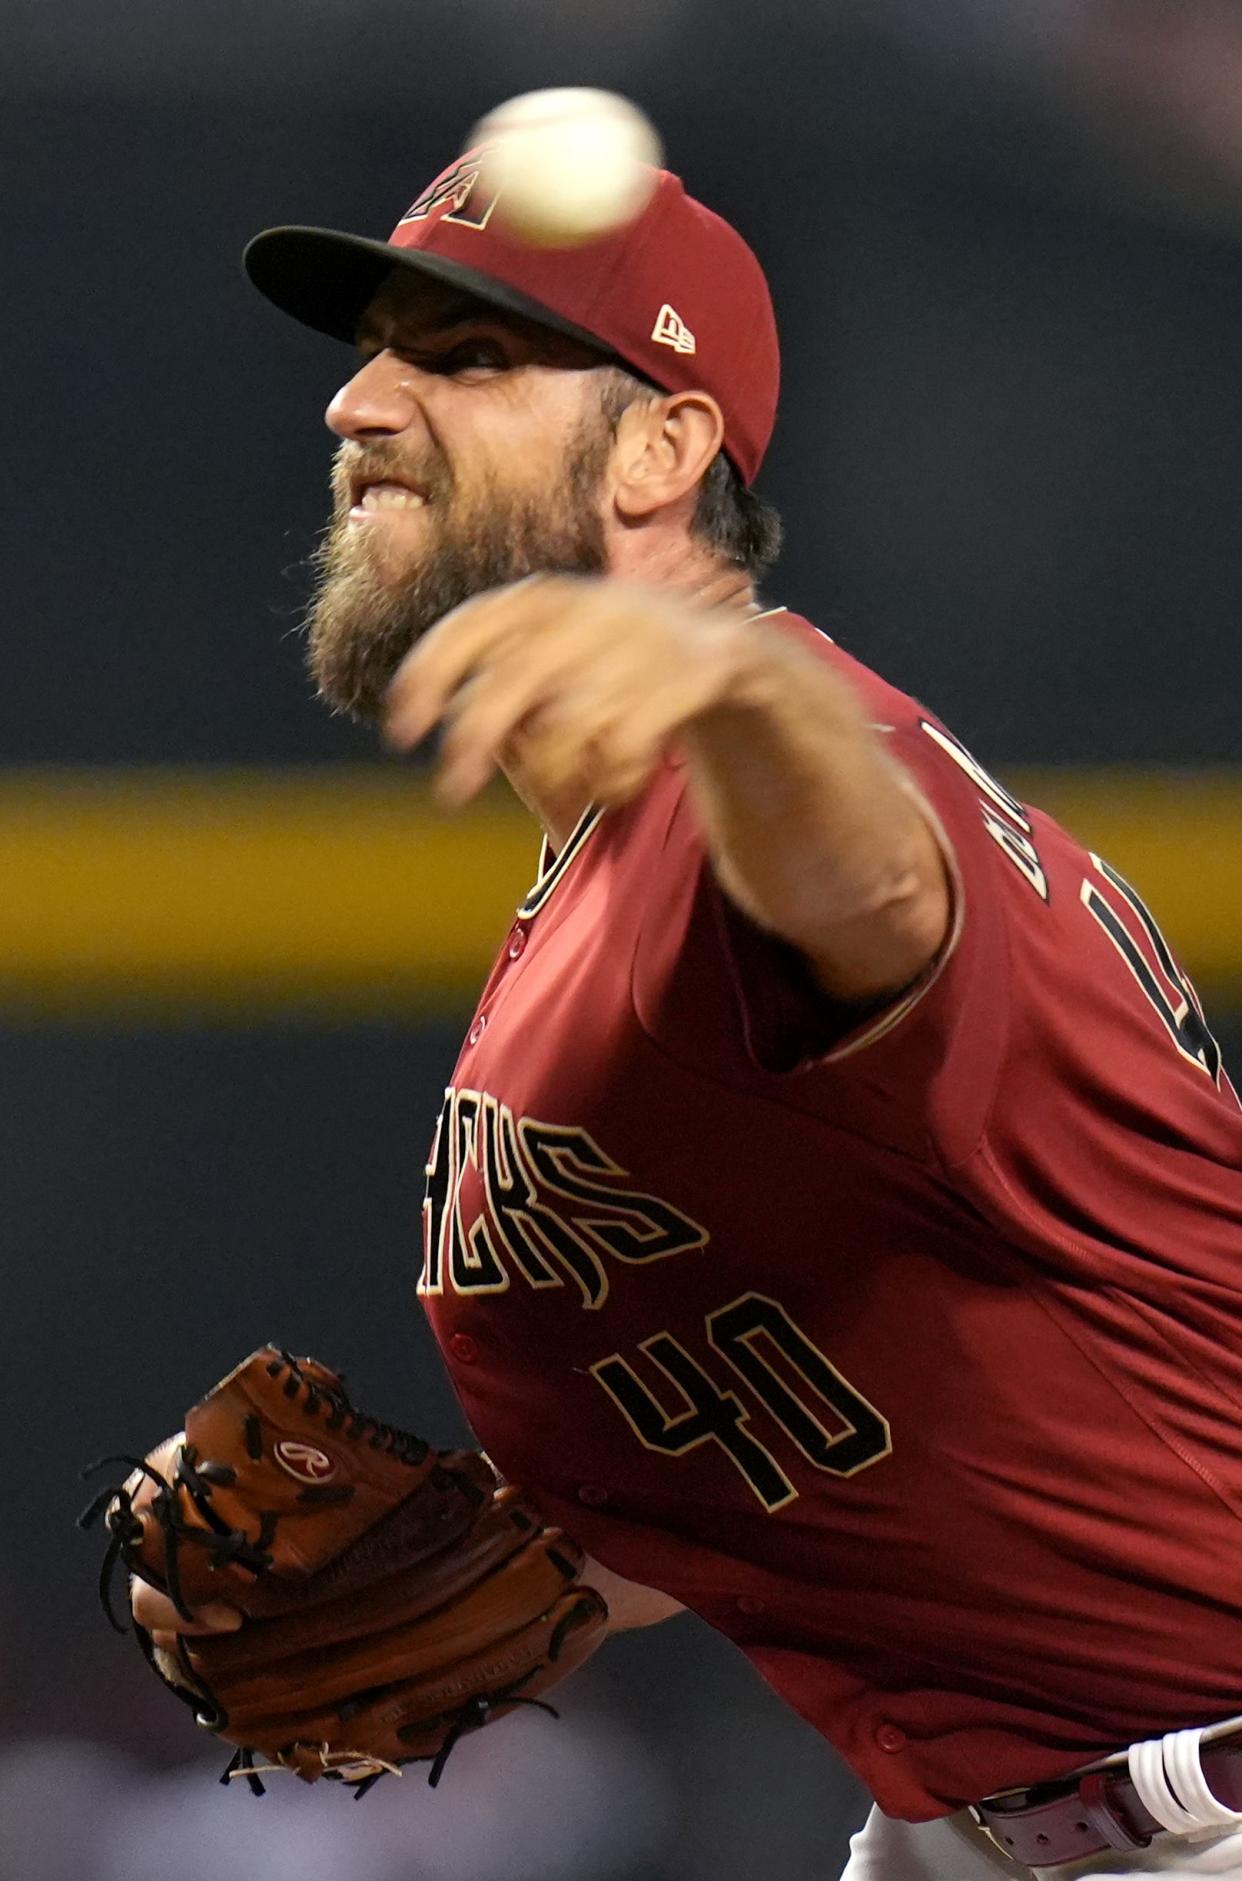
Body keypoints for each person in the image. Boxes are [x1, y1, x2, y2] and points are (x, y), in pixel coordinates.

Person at [130, 150, 1242, 1879]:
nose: (357, 401)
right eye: (370, 352)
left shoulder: (796, 779)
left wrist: (743, 700)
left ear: (663, 447)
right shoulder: (599, 883)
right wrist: (559, 1571)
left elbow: (871, 893)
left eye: (463, 355)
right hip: (997, 1824)